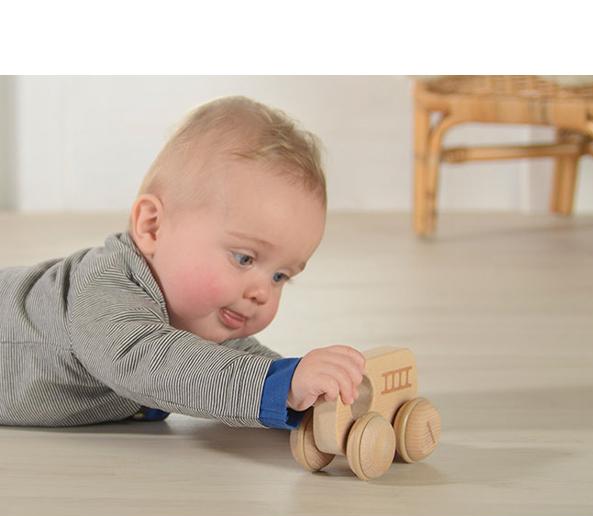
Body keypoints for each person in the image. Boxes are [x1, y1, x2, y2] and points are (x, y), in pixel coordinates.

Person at [0, 95, 365, 429]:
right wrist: (280, 385)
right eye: (244, 258)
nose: (261, 292)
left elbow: (231, 359)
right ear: (153, 226)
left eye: (280, 276)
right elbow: (153, 362)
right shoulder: (103, 289)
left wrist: (308, 397)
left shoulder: (195, 316)